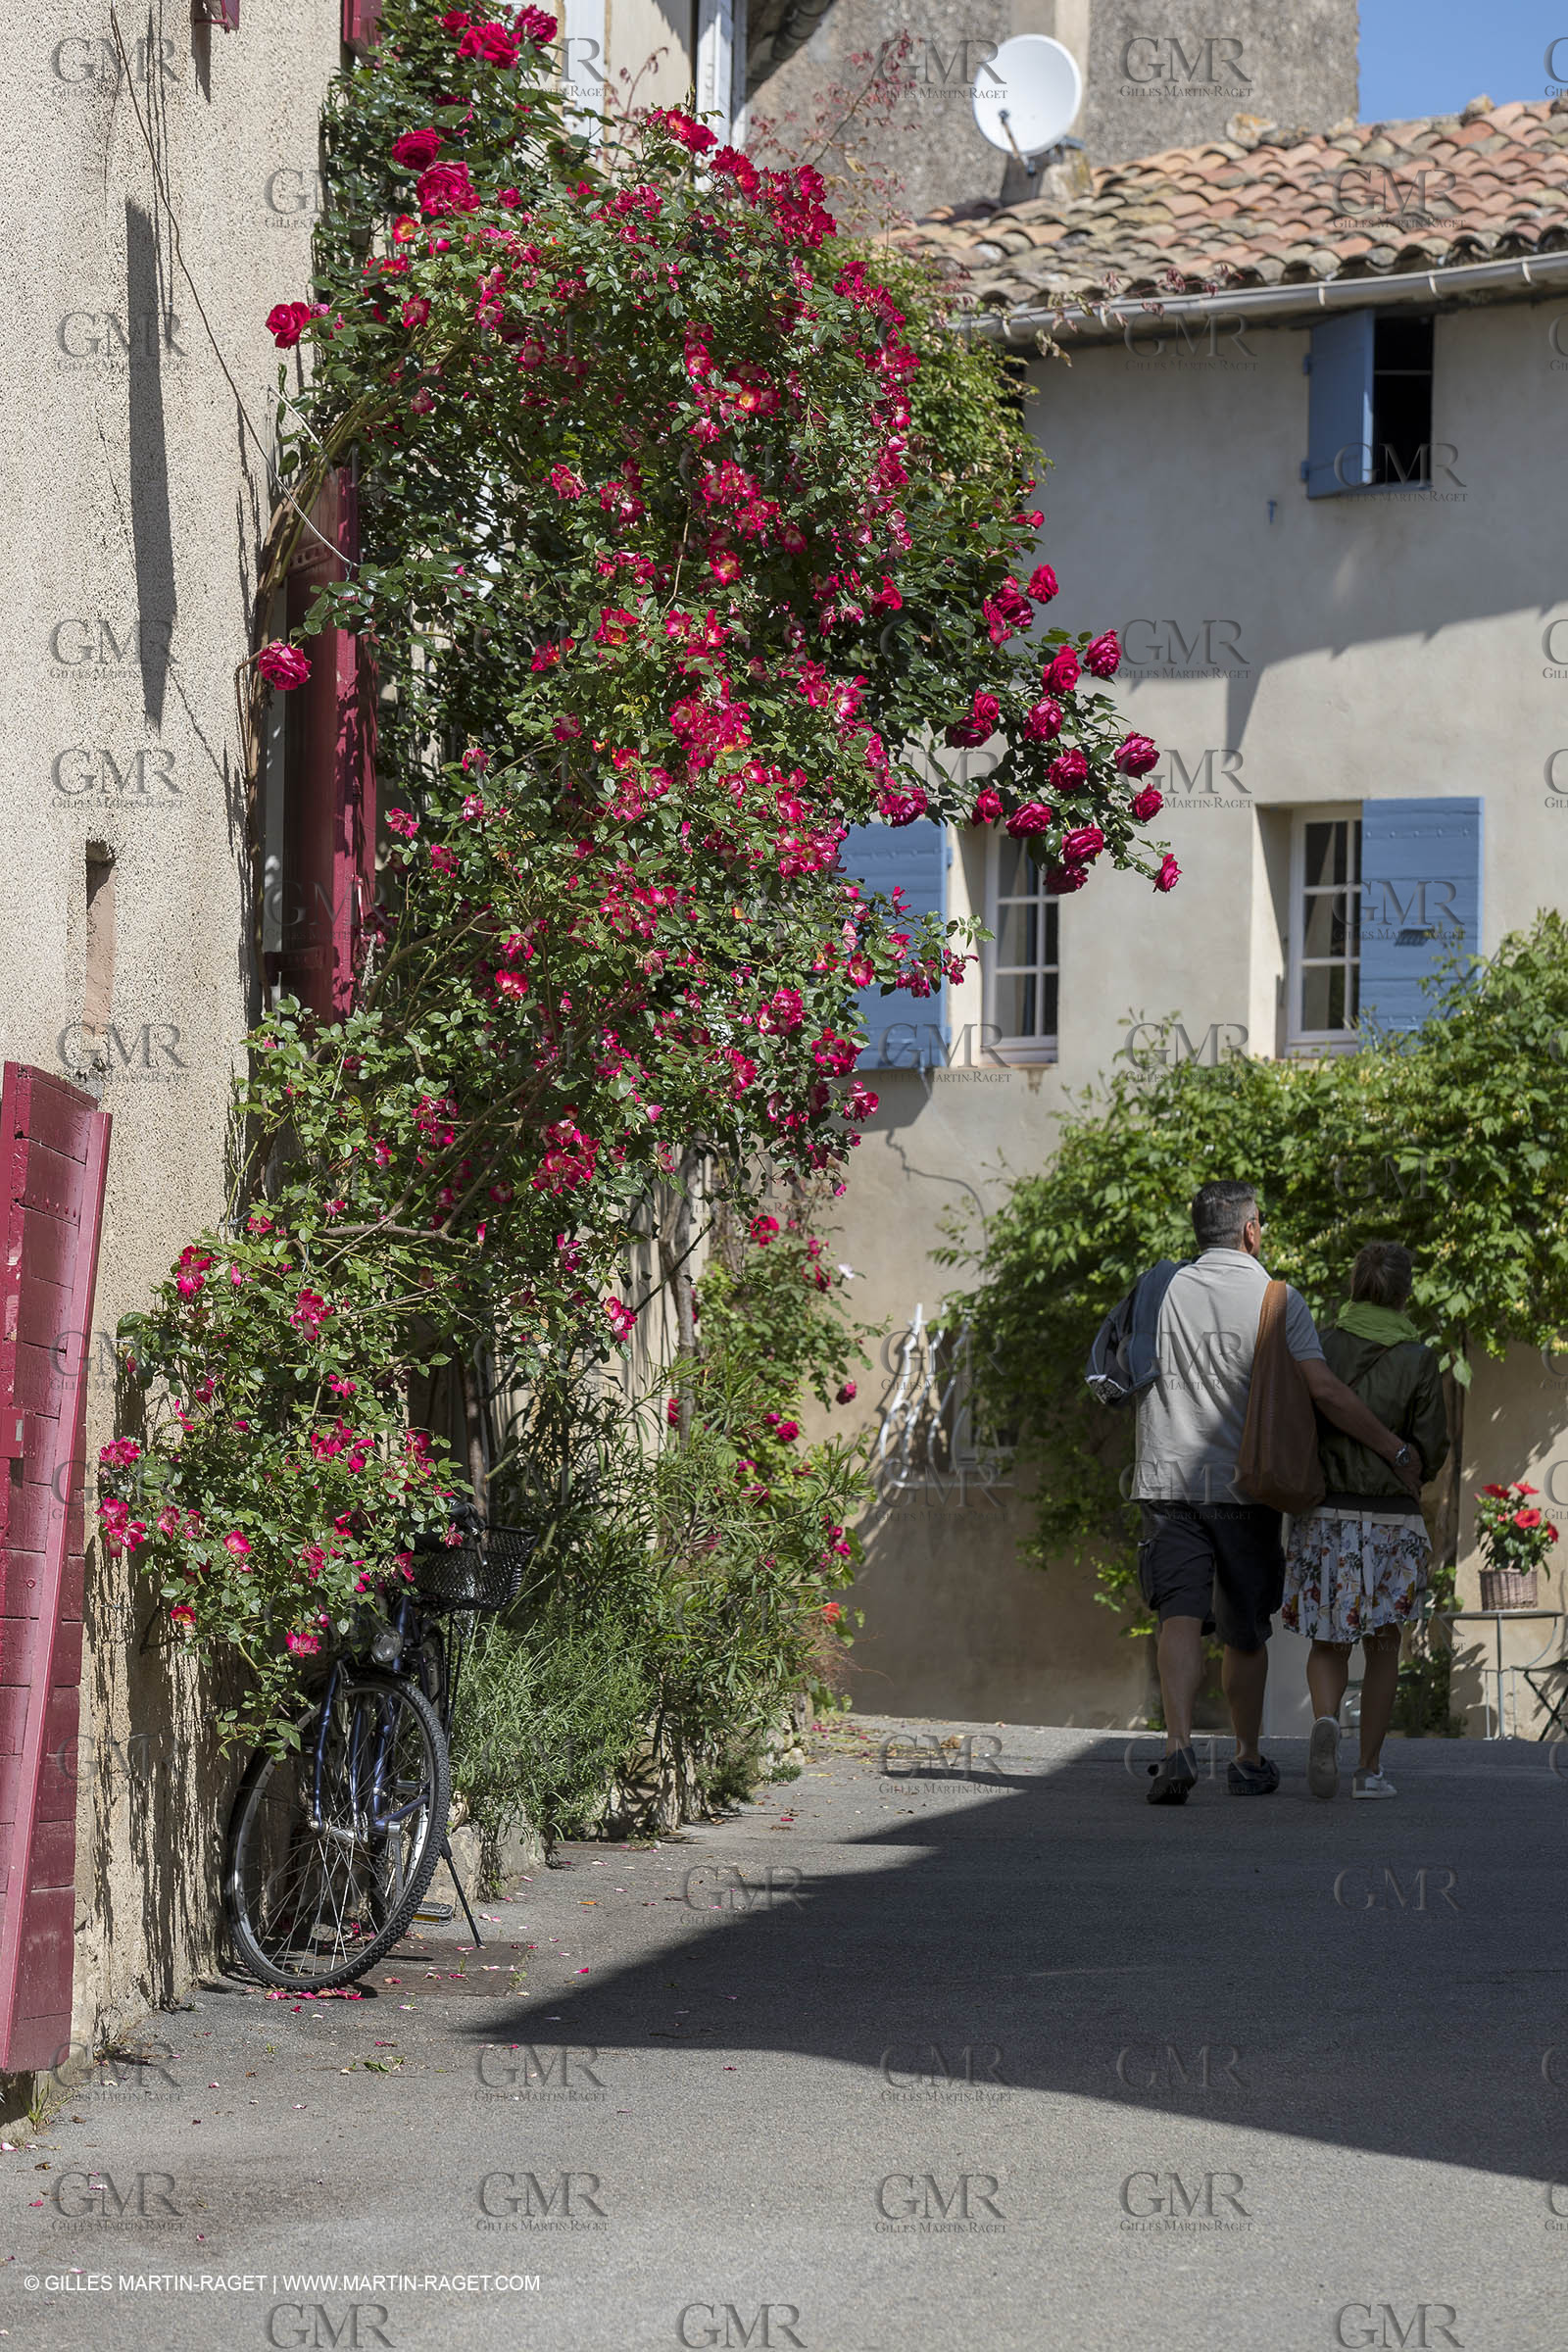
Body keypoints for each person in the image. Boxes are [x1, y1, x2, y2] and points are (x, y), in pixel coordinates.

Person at [1135, 1182, 1423, 1805]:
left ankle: (1177, 1746)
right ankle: (1245, 1757)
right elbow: (1324, 1390)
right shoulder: (1277, 1298)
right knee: (1243, 1630)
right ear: (1251, 1229)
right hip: (1245, 1486)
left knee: (1178, 1615)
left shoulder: (1156, 1287)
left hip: (1165, 1477)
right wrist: (1393, 1448)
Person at [1283, 1240, 1449, 1801]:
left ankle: (1326, 1720)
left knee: (1329, 1641)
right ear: (1404, 1292)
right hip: (1391, 1521)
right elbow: (1431, 1448)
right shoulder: (1419, 1359)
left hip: (1324, 1514)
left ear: (1355, 1287)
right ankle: (1369, 1771)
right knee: (1383, 1645)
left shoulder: (1320, 1345)